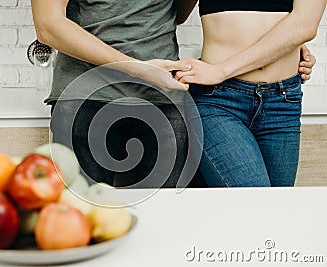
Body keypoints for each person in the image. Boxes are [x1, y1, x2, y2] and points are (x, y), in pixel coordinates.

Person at [31, 0, 315, 188]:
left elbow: (177, 13)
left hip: (162, 99)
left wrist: (282, 50)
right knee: (74, 222)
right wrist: (136, 68)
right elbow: (48, 26)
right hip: (85, 96)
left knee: (168, 225)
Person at [174, 0, 326, 187]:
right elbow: (177, 14)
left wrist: (286, 46)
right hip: (218, 99)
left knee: (277, 209)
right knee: (256, 205)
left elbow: (304, 26)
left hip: (282, 102)